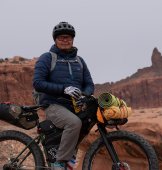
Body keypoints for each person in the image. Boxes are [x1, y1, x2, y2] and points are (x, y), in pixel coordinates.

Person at [33, 21, 94, 169]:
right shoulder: (47, 58)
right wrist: (63, 89)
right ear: (55, 40)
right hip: (53, 104)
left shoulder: (79, 61)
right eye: (61, 38)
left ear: (73, 39)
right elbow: (38, 82)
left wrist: (84, 95)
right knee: (74, 123)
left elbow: (90, 84)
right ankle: (59, 163)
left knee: (86, 123)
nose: (65, 40)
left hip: (75, 106)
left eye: (68, 37)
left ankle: (68, 160)